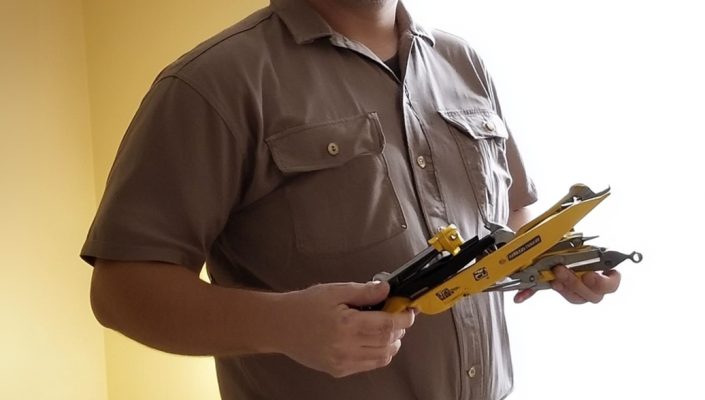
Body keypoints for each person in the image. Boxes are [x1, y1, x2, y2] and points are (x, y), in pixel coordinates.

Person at [81, 0, 621, 398]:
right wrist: (283, 325)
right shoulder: (212, 83)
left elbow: (510, 213)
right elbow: (121, 290)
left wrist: (550, 260)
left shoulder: (464, 63)